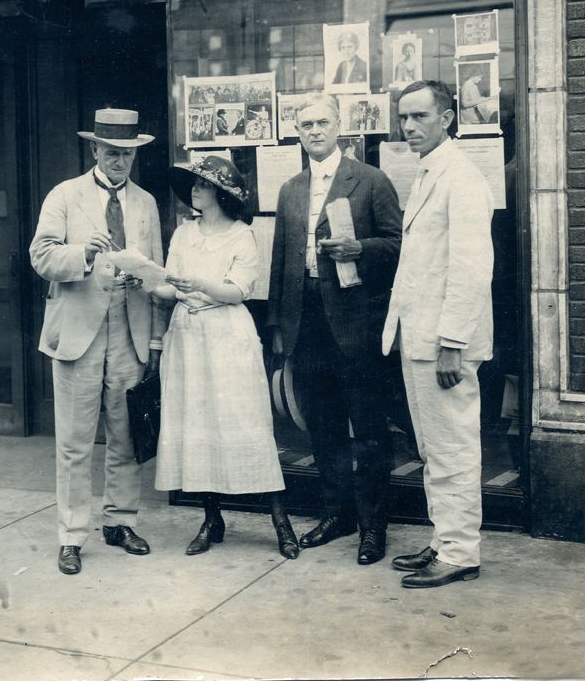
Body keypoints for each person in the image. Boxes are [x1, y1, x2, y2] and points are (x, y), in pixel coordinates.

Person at [267, 93, 402, 565]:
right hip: (305, 324)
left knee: (367, 429)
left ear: (340, 125)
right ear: (297, 132)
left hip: (355, 325)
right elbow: (281, 260)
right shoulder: (290, 188)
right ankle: (337, 513)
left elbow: (396, 244)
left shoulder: (369, 180)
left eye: (323, 122)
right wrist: (278, 325)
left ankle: (372, 526)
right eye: (305, 125)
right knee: (321, 426)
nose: (315, 131)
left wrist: (358, 249)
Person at [30, 108, 166, 575]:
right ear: (94, 150)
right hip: (78, 334)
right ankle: (71, 535)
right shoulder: (65, 196)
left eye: (127, 154)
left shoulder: (146, 203)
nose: (119, 161)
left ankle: (121, 520)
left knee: (125, 435)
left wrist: (152, 329)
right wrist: (83, 254)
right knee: (74, 441)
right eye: (111, 152)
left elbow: (158, 269)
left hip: (129, 332)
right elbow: (41, 256)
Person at [151, 155, 300, 560]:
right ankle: (211, 518)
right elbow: (169, 285)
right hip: (187, 336)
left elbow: (239, 291)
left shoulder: (241, 236)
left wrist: (194, 282)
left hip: (227, 336)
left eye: (201, 184)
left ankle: (280, 522)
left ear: (220, 192)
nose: (194, 190)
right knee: (196, 424)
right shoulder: (184, 234)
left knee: (244, 424)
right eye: (193, 184)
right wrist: (146, 281)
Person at [382, 80, 494, 588]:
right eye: (404, 117)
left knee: (452, 447)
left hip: (444, 344)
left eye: (420, 117)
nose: (409, 127)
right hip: (419, 338)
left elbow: (471, 269)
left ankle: (460, 552)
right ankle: (445, 539)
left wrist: (453, 342)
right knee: (433, 447)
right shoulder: (429, 172)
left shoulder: (462, 177)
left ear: (447, 117)